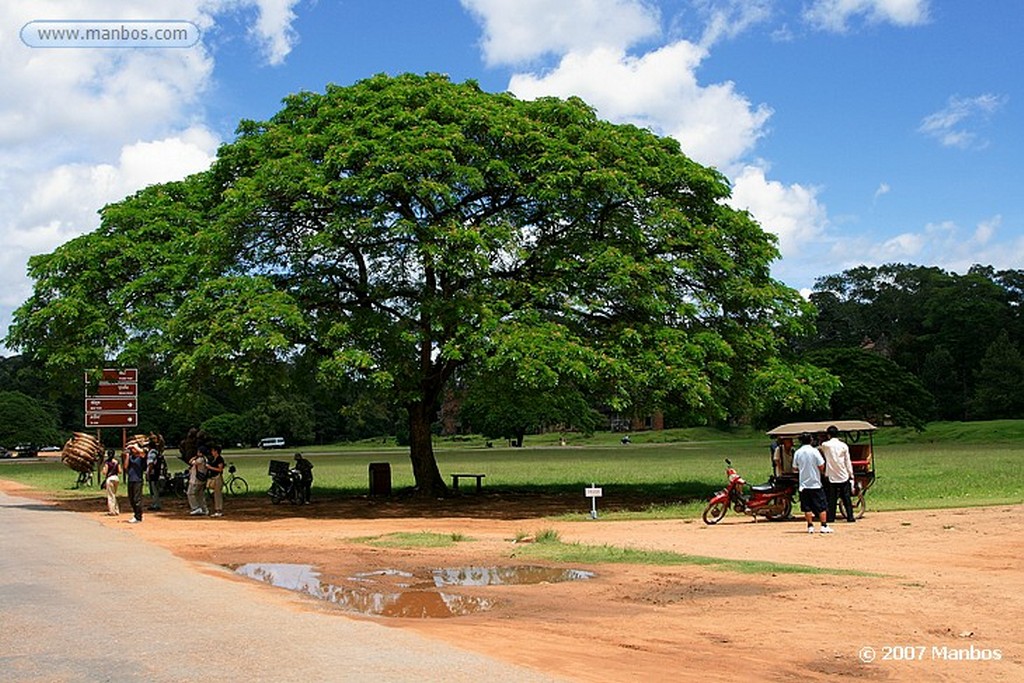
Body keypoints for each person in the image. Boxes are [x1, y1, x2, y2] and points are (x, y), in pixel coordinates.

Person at [791, 432, 831, 534]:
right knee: (821, 505)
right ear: (811, 440)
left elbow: (794, 468)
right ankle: (824, 525)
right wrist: (821, 472)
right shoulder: (815, 452)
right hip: (815, 483)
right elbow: (821, 465)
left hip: (803, 484)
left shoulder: (798, 452)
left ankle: (810, 526)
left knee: (807, 506)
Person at [820, 425, 856, 523]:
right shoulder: (844, 446)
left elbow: (820, 448)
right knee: (846, 498)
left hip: (832, 476)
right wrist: (851, 474)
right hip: (843, 474)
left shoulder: (825, 445)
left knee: (832, 499)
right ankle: (850, 516)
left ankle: (831, 517)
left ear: (828, 435)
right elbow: (847, 461)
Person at [124, 443, 147, 524]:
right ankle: (135, 514)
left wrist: (135, 446)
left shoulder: (141, 457)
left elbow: (143, 453)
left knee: (137, 499)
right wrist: (127, 455)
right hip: (131, 479)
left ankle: (138, 516)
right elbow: (126, 467)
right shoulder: (131, 458)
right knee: (131, 499)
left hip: (138, 480)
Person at [187, 445, 210, 516]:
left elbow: (191, 462)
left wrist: (195, 457)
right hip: (202, 480)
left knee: (190, 493)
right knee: (200, 495)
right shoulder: (206, 459)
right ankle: (204, 509)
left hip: (196, 480)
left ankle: (196, 508)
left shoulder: (200, 459)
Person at [146, 437, 166, 511]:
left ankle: (156, 504)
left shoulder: (151, 453)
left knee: (154, 489)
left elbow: (150, 464)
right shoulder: (157, 452)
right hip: (157, 473)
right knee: (155, 489)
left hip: (153, 474)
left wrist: (148, 473)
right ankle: (155, 503)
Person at [205, 444, 226, 517]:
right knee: (215, 494)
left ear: (216, 451)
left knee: (217, 494)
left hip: (218, 477)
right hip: (214, 477)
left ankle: (219, 510)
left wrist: (210, 467)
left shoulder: (219, 459)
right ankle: (216, 509)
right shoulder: (214, 458)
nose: (212, 452)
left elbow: (220, 469)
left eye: (213, 451)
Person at [100, 449, 120, 516]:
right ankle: (116, 510)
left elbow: (105, 472)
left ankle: (112, 511)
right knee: (114, 494)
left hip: (110, 479)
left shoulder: (107, 462)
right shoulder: (117, 462)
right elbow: (120, 471)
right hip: (116, 478)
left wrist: (103, 470)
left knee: (110, 495)